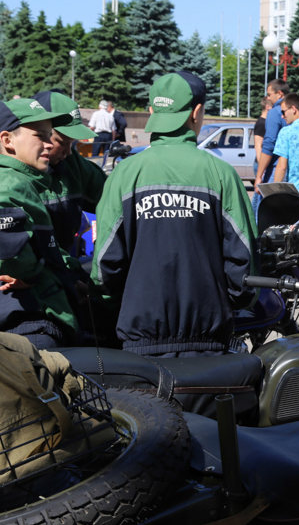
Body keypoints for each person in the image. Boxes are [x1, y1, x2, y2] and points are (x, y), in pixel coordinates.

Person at [92, 71, 258, 357]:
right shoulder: (221, 173)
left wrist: (118, 303)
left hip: (140, 334)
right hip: (208, 335)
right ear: (196, 112)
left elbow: (105, 265)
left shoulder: (124, 173)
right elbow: (243, 261)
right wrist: (235, 303)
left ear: (152, 111)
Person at [0, 98, 81, 349]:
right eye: (40, 136)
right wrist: (27, 272)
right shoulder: (7, 183)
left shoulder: (6, 179)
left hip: (11, 320)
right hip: (25, 323)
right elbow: (5, 241)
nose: (48, 144)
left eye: (49, 136)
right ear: (7, 140)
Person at [31, 90, 106, 256]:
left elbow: (110, 196)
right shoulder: (6, 172)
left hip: (63, 262)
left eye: (72, 143)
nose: (69, 151)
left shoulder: (73, 163)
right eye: (63, 142)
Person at [253, 78, 289, 190]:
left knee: (268, 200)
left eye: (269, 95)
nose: (268, 98)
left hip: (276, 169)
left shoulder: (275, 112)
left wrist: (259, 176)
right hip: (298, 171)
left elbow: (269, 144)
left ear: (279, 94)